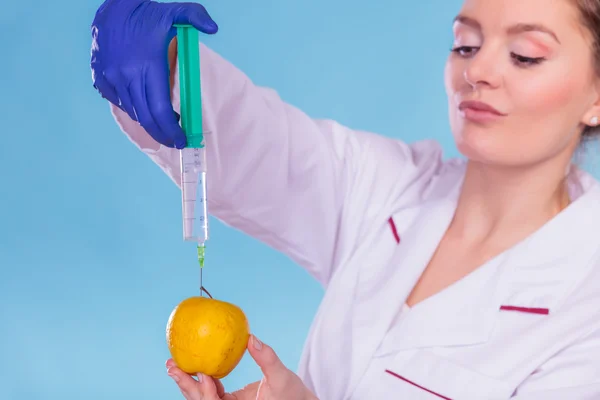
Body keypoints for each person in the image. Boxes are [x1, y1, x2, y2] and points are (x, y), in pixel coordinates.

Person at [90, 0, 600, 398]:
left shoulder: (587, 306)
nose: (478, 72)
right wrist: (169, 60)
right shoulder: (394, 188)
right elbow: (256, 146)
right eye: (466, 45)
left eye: (525, 55)